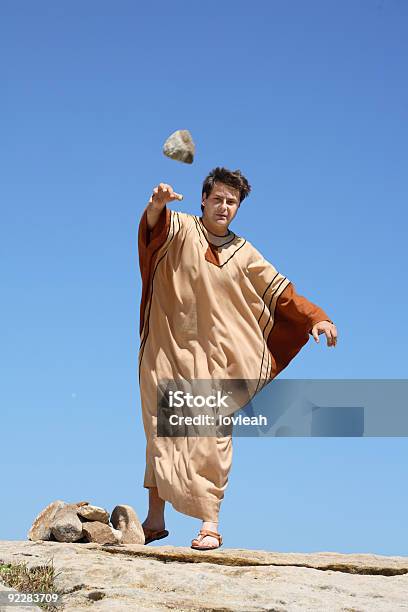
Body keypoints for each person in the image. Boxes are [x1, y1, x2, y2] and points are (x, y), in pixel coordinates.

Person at [137, 167, 337, 550]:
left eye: (232, 202)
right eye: (218, 199)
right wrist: (155, 205)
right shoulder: (177, 227)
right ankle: (154, 519)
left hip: (215, 358)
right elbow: (151, 233)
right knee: (161, 430)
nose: (224, 207)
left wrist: (316, 317)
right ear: (203, 199)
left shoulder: (244, 252)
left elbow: (281, 291)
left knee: (212, 433)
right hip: (165, 347)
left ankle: (209, 522)